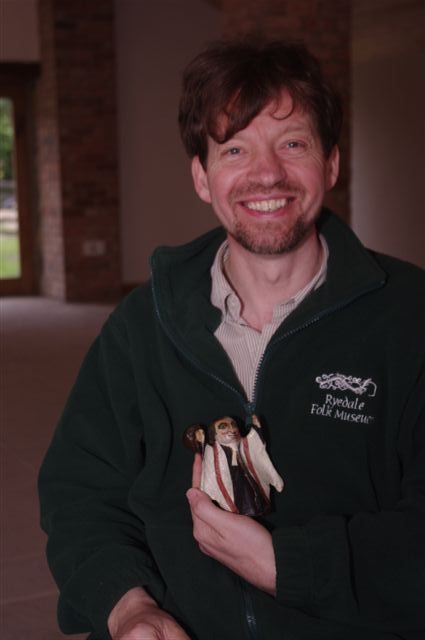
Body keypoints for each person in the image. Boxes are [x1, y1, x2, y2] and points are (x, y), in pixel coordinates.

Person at [38, 39, 425, 640]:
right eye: (235, 148)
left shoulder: (411, 318)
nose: (266, 173)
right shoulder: (143, 323)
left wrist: (291, 567)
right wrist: (127, 607)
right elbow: (80, 491)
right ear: (202, 176)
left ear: (331, 165)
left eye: (292, 143)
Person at [185, 416, 284, 515]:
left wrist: (256, 429)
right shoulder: (212, 451)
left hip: (247, 481)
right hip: (230, 488)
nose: (231, 429)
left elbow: (254, 443)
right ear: (214, 434)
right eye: (223, 427)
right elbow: (210, 473)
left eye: (233, 425)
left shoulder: (243, 445)